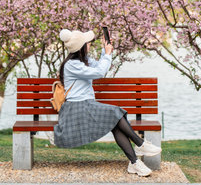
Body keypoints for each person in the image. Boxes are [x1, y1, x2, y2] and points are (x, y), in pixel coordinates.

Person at [53, 28, 161, 177]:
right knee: (116, 113)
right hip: (75, 109)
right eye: (88, 42)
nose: (90, 44)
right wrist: (108, 55)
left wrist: (105, 52)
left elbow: (99, 67)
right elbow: (99, 73)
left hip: (86, 106)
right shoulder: (72, 65)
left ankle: (135, 163)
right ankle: (140, 144)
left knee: (115, 122)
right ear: (82, 47)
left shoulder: (83, 61)